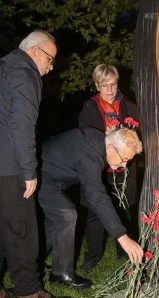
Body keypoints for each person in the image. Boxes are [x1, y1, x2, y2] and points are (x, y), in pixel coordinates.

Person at [37, 127, 144, 289]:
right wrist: (122, 236)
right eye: (124, 159)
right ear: (110, 147)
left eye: (127, 161)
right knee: (66, 215)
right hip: (40, 175)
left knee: (57, 220)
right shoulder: (90, 155)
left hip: (51, 175)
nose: (124, 164)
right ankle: (61, 273)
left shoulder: (99, 141)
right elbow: (97, 196)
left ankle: (33, 261)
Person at [0, 30, 57, 298]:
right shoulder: (25, 74)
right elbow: (22, 126)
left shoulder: (4, 67)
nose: (51, 66)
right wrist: (28, 171)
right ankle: (28, 292)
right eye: (50, 58)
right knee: (22, 231)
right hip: (10, 167)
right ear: (35, 51)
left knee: (3, 229)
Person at [78, 64, 140, 271]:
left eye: (113, 84)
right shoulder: (90, 107)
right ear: (97, 85)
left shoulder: (128, 106)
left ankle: (124, 252)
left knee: (125, 208)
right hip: (99, 169)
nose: (110, 90)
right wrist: (106, 134)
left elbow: (138, 137)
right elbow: (84, 135)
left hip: (124, 169)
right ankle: (93, 254)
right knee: (96, 212)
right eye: (105, 85)